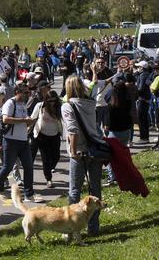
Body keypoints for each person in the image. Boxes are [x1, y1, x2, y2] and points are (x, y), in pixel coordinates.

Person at [61, 75, 105, 236]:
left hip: (79, 152)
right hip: (95, 150)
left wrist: (73, 152)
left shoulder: (67, 106)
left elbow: (73, 131)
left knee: (74, 191)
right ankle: (94, 228)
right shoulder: (91, 103)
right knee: (95, 190)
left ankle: (71, 228)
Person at [0, 83, 39, 201]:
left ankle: (29, 194)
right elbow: (5, 119)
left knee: (28, 166)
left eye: (27, 93)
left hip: (23, 140)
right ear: (18, 92)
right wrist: (24, 120)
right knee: (7, 167)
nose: (27, 95)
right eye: (25, 93)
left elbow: (23, 121)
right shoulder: (10, 103)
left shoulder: (22, 104)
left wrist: (30, 122)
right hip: (10, 140)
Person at [29, 91, 63, 188]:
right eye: (50, 101)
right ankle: (49, 179)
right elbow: (32, 118)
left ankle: (49, 168)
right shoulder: (40, 106)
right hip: (42, 135)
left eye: (54, 100)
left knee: (56, 156)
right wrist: (27, 128)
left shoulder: (59, 108)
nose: (52, 103)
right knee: (46, 158)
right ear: (46, 100)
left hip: (55, 134)